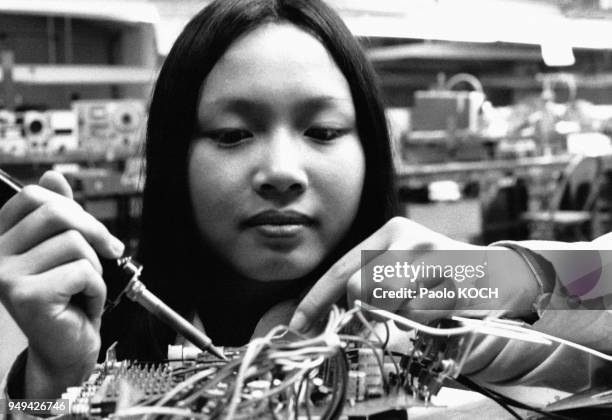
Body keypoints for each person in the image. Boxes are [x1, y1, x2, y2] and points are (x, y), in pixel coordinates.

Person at [0, 0, 609, 404]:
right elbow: (36, 405)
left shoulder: (437, 310)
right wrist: (48, 387)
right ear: (173, 157)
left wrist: (500, 277)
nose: (282, 172)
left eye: (321, 132)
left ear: (370, 148)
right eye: (233, 133)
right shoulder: (100, 344)